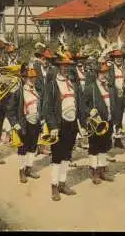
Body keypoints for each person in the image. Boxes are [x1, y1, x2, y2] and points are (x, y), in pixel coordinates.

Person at [43, 52, 85, 201]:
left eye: (67, 66)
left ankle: (62, 183)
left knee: (67, 155)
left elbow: (79, 105)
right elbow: (47, 109)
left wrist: (83, 125)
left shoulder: (73, 84)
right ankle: (54, 186)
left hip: (72, 124)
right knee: (57, 156)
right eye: (63, 66)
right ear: (58, 67)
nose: (65, 68)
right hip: (58, 126)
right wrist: (52, 126)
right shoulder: (52, 85)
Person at [83, 61, 119, 184]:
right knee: (94, 147)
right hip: (96, 124)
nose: (104, 75)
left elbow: (114, 104)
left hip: (108, 122)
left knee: (104, 147)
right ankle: (94, 172)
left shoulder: (111, 87)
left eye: (106, 72)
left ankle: (102, 170)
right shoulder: (90, 88)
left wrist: (115, 120)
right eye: (102, 73)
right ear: (97, 74)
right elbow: (82, 106)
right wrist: (89, 111)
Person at [6, 66, 43, 184]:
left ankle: (29, 169)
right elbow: (10, 109)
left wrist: (42, 119)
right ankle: (21, 171)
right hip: (24, 123)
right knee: (23, 148)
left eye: (33, 78)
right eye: (29, 78)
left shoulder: (38, 90)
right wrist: (15, 124)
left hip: (35, 122)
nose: (32, 80)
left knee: (32, 147)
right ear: (24, 78)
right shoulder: (19, 92)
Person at [108, 47, 125, 150]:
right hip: (113, 95)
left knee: (119, 117)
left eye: (120, 57)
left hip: (122, 94)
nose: (118, 59)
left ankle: (118, 141)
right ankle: (108, 140)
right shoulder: (110, 68)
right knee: (112, 115)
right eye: (116, 57)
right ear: (113, 59)